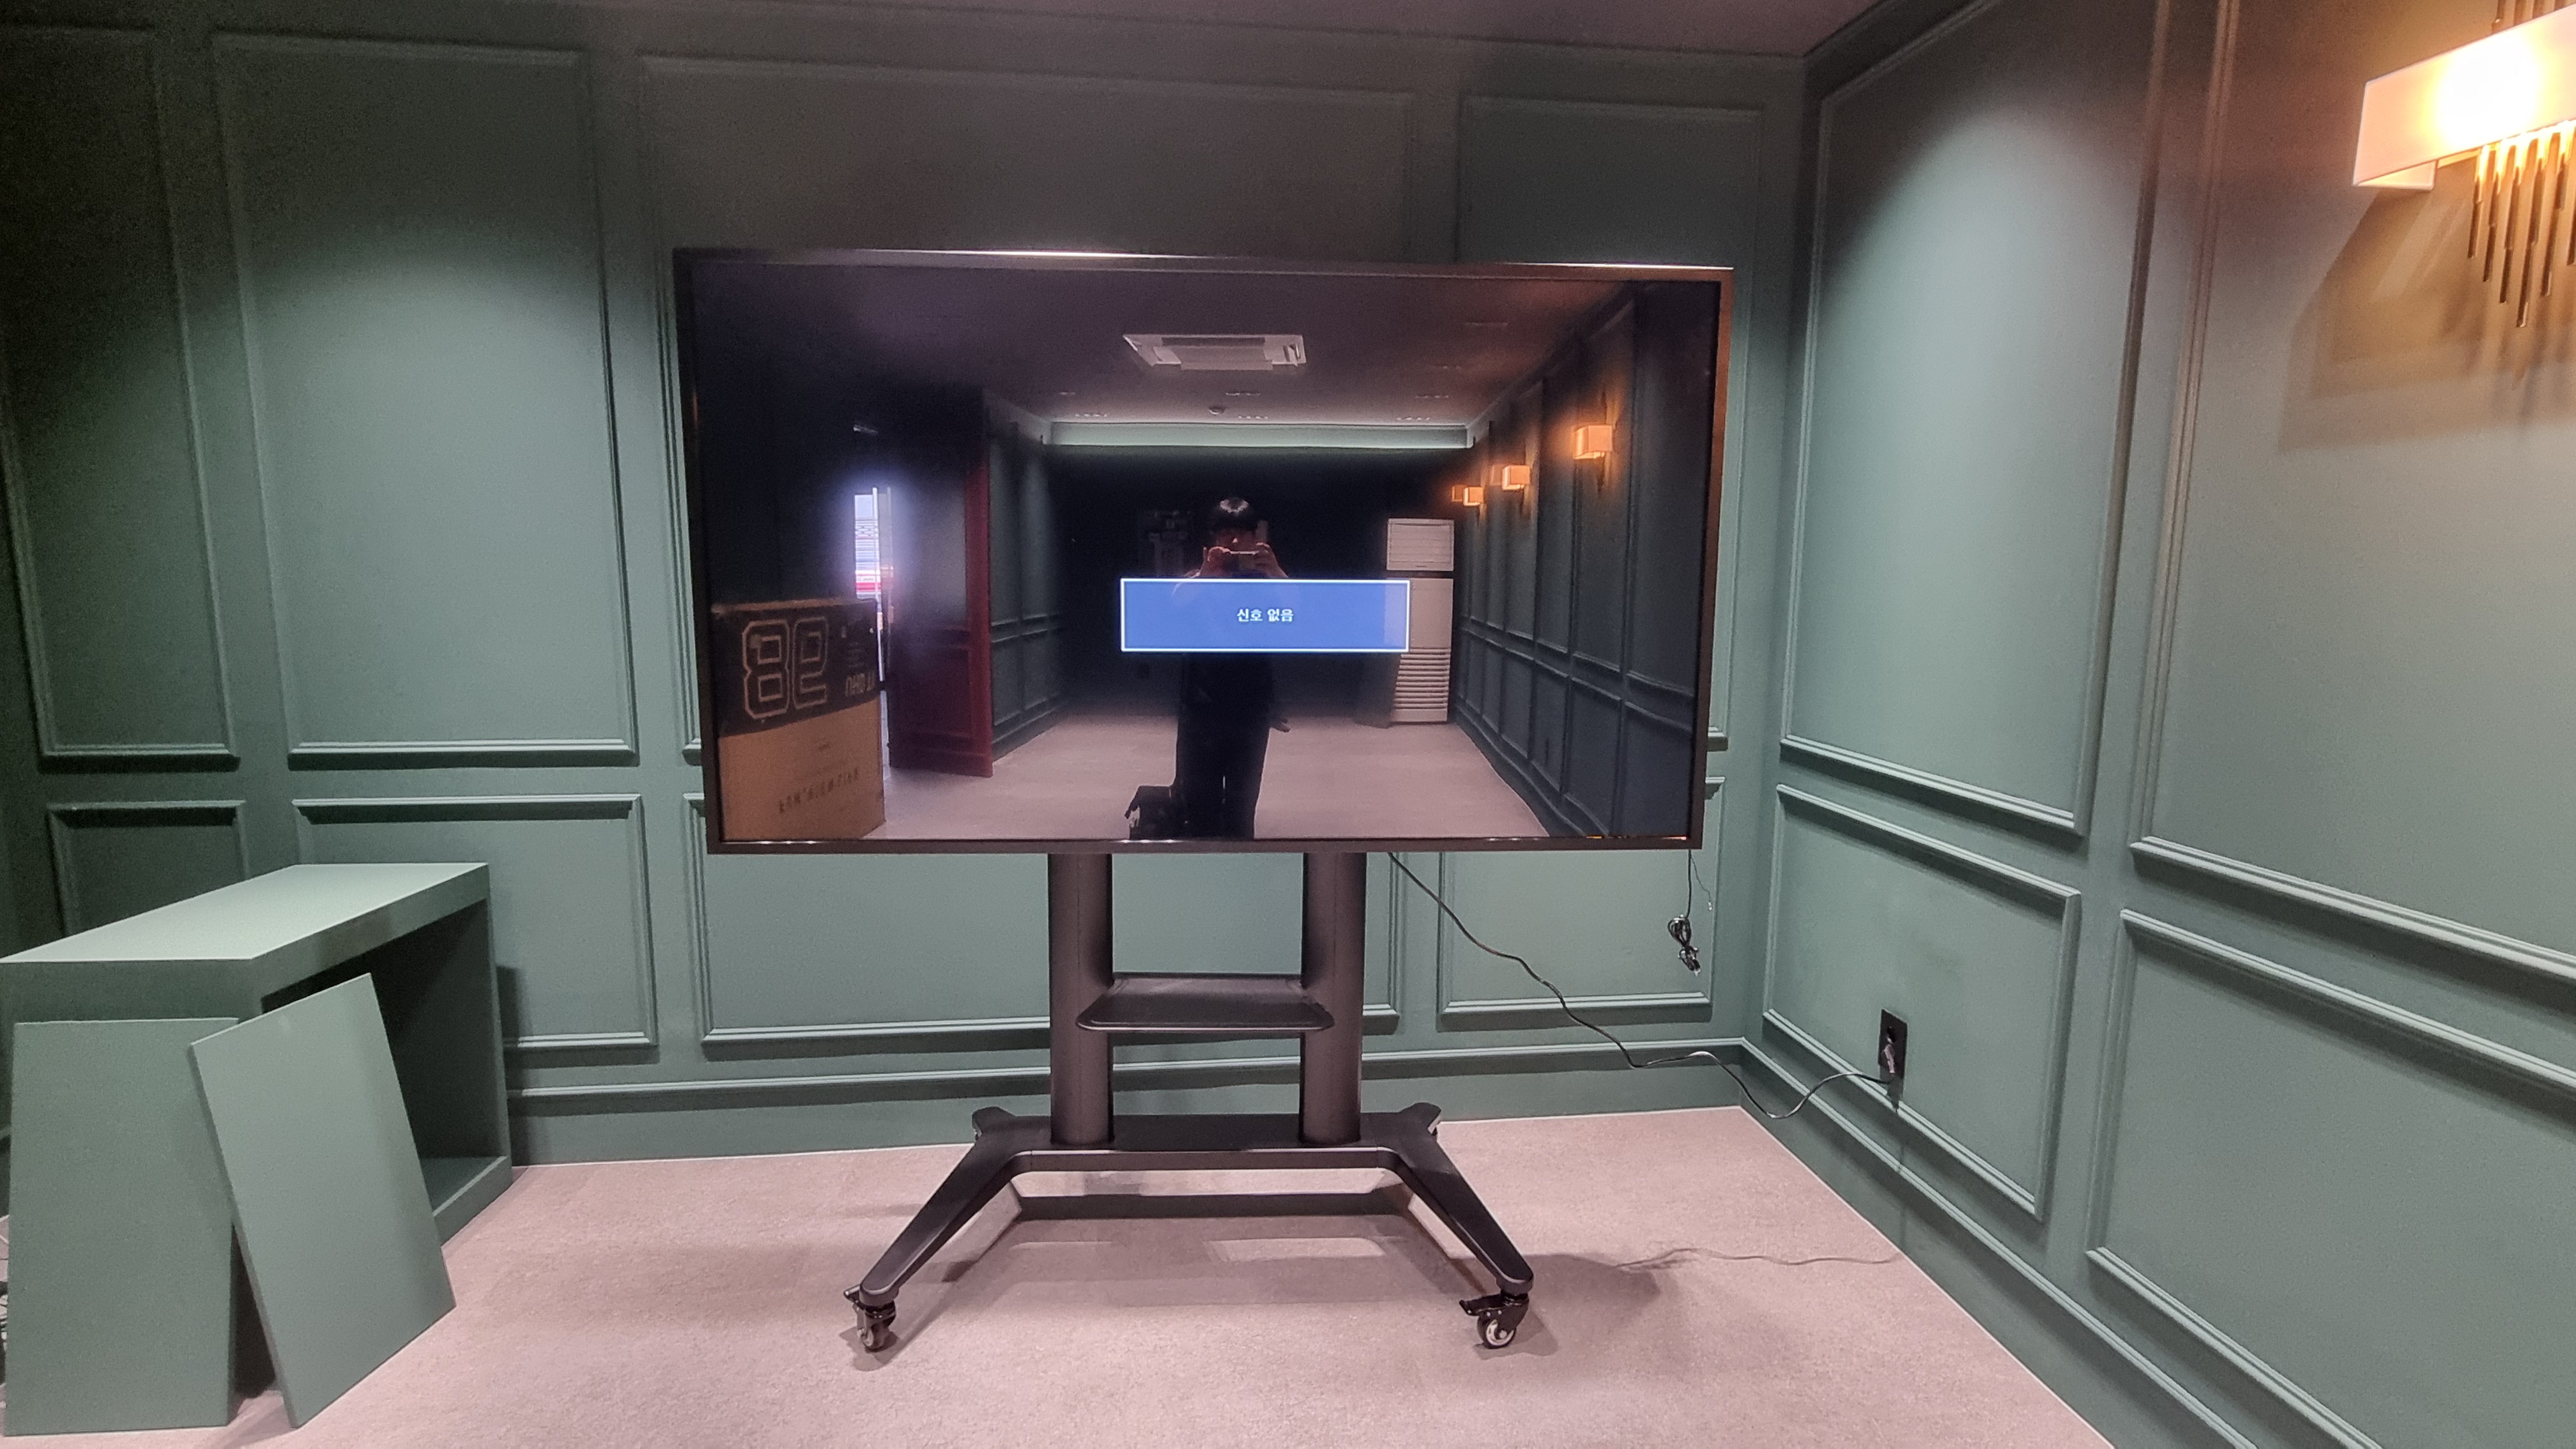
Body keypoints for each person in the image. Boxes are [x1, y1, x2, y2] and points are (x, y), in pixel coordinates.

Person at [1174, 497, 1282, 837]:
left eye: (1241, 534)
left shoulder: (1268, 581)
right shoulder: (1198, 579)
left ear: (1255, 538)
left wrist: (1276, 572)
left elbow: (1301, 611)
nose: (1234, 542)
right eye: (1225, 534)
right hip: (1200, 708)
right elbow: (1173, 604)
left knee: (1242, 805)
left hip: (1251, 709)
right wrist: (1206, 575)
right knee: (1199, 804)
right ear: (1213, 540)